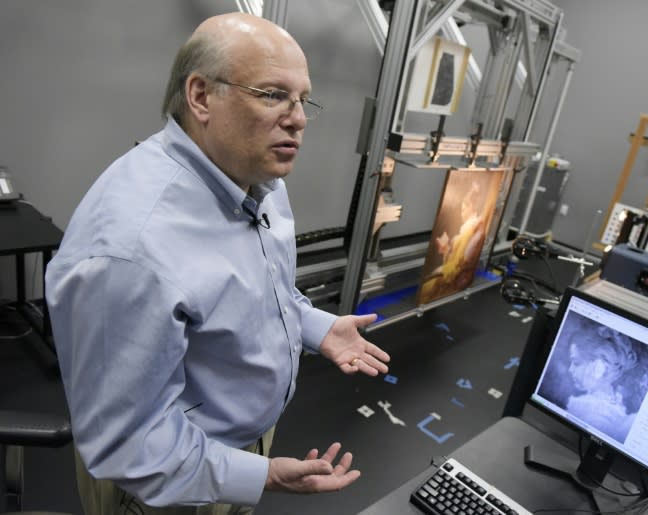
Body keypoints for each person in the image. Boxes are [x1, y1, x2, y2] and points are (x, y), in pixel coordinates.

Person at [45, 12, 390, 514]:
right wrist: (262, 476)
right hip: (164, 483)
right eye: (273, 95)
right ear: (202, 96)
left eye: (303, 99)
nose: (296, 118)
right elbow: (130, 446)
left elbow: (259, 290)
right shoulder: (132, 249)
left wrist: (315, 326)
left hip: (242, 446)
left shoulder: (261, 181)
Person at [565, 326, 638, 443]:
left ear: (599, 366)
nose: (570, 369)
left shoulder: (591, 411)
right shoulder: (614, 408)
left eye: (576, 362)